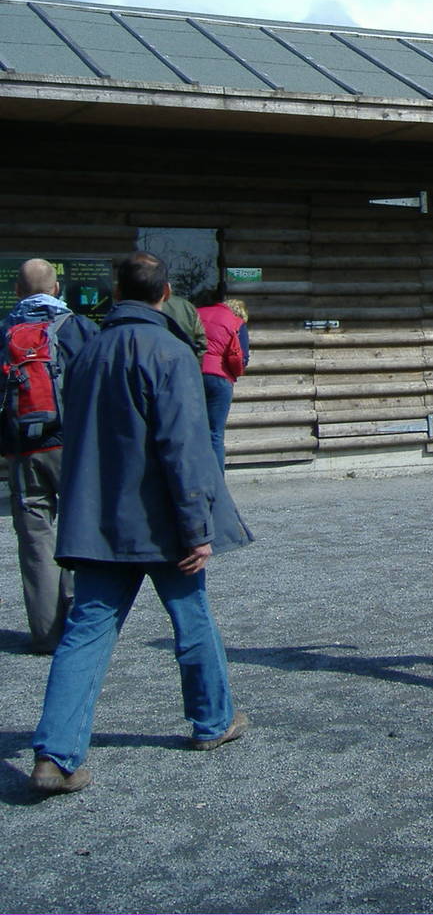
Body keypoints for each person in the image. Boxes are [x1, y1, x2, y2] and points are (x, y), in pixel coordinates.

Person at [31, 251, 253, 796]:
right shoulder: (171, 353)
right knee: (192, 617)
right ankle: (212, 721)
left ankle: (55, 756)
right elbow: (184, 448)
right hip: (160, 524)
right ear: (166, 292)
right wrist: (197, 526)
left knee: (84, 634)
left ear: (116, 291)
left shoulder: (86, 350)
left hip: (99, 521)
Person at [1, 259, 100, 653]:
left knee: (35, 542)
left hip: (24, 451)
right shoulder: (79, 329)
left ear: (18, 290)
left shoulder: (5, 331)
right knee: (79, 533)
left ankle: (44, 634)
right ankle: (80, 628)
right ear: (57, 288)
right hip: (73, 448)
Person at [196, 291, 248, 474]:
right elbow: (239, 357)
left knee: (192, 429)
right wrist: (236, 373)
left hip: (193, 376)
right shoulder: (236, 322)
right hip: (219, 378)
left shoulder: (197, 313)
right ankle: (216, 480)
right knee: (215, 434)